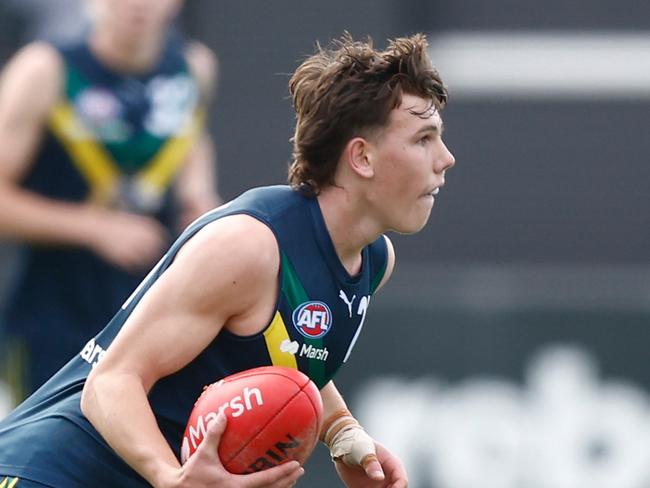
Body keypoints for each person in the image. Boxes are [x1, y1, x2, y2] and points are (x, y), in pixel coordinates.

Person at [0, 32, 455, 487]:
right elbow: (109, 384)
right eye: (423, 139)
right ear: (361, 157)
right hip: (45, 472)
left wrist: (343, 432)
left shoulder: (374, 258)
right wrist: (171, 477)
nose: (445, 159)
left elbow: (287, 353)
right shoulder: (250, 246)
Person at [0, 0, 220, 401]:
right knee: (43, 457)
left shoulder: (193, 68)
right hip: (54, 317)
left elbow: (193, 157)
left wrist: (201, 204)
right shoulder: (44, 69)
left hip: (154, 314)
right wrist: (94, 228)